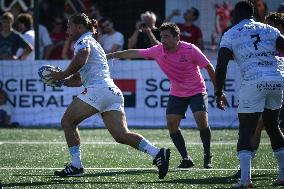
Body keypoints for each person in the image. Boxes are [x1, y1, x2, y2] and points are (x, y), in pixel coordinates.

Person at [47, 13, 170, 179]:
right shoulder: (93, 42)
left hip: (99, 90)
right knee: (121, 135)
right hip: (111, 92)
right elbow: (78, 79)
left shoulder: (84, 41)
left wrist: (61, 75)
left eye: (69, 25)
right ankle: (157, 153)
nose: (67, 29)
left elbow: (82, 57)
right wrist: (61, 81)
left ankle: (76, 165)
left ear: (80, 27)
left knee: (67, 122)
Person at [107, 22, 217, 169]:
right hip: (177, 92)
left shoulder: (190, 49)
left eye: (166, 36)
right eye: (161, 36)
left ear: (177, 37)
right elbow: (135, 52)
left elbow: (209, 67)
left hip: (197, 90)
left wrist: (218, 90)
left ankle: (207, 156)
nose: (163, 40)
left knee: (201, 122)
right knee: (172, 125)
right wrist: (114, 54)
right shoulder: (158, 50)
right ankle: (186, 159)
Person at [215, 1, 284, 187]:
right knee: (273, 126)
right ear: (253, 13)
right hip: (276, 80)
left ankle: (245, 180)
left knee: (246, 130)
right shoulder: (269, 29)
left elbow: (221, 66)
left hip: (253, 81)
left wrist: (218, 91)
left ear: (235, 15)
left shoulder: (230, 33)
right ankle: (283, 175)